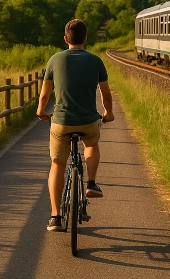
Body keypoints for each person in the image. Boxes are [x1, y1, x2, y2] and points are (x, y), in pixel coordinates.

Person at [37, 19, 114, 232]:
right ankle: (91, 183)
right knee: (91, 145)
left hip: (61, 122)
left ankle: (55, 217)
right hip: (88, 121)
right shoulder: (96, 61)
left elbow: (44, 95)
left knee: (57, 165)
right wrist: (108, 114)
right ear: (85, 38)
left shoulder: (55, 60)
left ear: (65, 39)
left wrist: (41, 112)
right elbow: (106, 95)